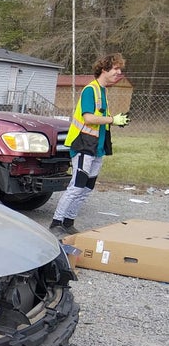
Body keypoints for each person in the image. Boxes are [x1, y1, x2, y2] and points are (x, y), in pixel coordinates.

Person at [50, 53, 129, 237]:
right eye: (116, 68)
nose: (119, 72)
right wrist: (112, 119)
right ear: (104, 69)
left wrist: (115, 121)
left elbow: (100, 120)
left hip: (97, 148)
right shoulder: (90, 90)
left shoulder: (103, 91)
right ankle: (56, 223)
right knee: (76, 186)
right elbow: (89, 118)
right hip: (83, 145)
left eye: (120, 69)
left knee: (86, 188)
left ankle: (68, 222)